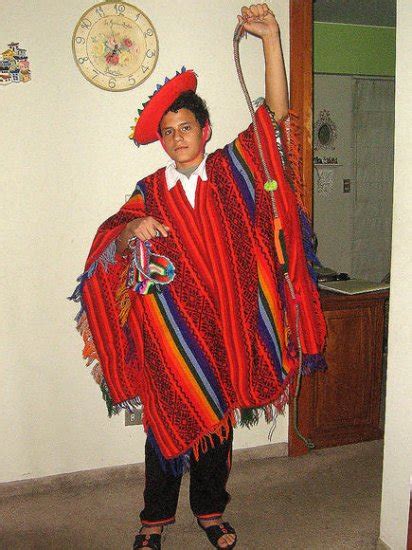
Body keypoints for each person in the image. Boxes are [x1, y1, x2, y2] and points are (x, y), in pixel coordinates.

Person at [70, 4, 326, 549]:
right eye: (168, 132)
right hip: (172, 339)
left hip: (227, 328)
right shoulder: (150, 189)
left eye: (186, 127)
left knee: (217, 431)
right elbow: (105, 245)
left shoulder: (235, 169)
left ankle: (211, 511)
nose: (177, 137)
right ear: (161, 141)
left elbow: (277, 116)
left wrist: (273, 38)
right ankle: (152, 521)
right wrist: (131, 226)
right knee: (165, 432)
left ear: (205, 130)